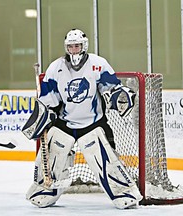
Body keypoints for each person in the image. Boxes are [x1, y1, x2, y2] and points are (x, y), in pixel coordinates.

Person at [22, 29, 142, 209]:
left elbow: (110, 87)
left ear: (84, 46)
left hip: (92, 124)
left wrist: (118, 96)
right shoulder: (56, 67)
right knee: (50, 156)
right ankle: (44, 190)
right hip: (65, 123)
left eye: (77, 46)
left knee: (105, 160)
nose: (74, 50)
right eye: (70, 47)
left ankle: (124, 193)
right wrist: (44, 114)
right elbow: (49, 97)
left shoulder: (98, 64)